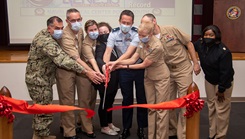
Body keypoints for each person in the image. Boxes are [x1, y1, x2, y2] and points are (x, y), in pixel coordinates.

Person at [25, 16, 102, 139]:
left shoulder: (50, 34)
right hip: (38, 79)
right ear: (49, 28)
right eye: (57, 28)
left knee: (45, 107)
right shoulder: (45, 40)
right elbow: (62, 59)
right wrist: (86, 71)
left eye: (61, 28)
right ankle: (39, 136)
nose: (60, 31)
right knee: (42, 109)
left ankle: (42, 134)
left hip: (45, 78)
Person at [141, 13, 201, 139]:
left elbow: (189, 44)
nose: (144, 25)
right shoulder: (149, 38)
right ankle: (172, 130)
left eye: (147, 22)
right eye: (142, 23)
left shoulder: (171, 30)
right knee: (169, 103)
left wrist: (195, 63)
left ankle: (183, 134)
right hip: (166, 72)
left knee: (185, 102)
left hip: (182, 69)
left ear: (154, 21)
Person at [108, 22, 170, 139]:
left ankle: (161, 137)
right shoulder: (142, 41)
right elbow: (133, 59)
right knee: (151, 108)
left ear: (151, 34)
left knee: (161, 109)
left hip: (160, 77)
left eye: (143, 35)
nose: (140, 37)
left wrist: (122, 67)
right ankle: (151, 136)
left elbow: (143, 65)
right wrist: (116, 62)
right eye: (139, 35)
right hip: (149, 77)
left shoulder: (157, 46)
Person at [56, 8, 103, 139]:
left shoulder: (81, 30)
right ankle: (69, 131)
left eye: (78, 19)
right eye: (73, 20)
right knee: (67, 100)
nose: (76, 22)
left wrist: (90, 70)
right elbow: (75, 57)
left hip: (81, 69)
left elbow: (84, 51)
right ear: (67, 21)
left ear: (81, 19)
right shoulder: (64, 35)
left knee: (85, 98)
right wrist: (90, 72)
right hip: (66, 70)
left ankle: (84, 126)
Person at [103, 10, 148, 139]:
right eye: (123, 22)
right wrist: (107, 65)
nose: (125, 25)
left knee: (141, 99)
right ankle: (126, 128)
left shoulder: (137, 33)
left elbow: (129, 53)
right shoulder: (114, 33)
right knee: (127, 99)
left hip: (138, 68)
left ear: (132, 23)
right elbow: (108, 51)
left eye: (128, 23)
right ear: (119, 21)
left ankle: (141, 128)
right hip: (123, 70)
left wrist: (114, 64)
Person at [193, 25, 234, 139]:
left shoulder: (223, 51)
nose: (208, 37)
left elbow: (226, 73)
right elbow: (189, 46)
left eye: (211, 35)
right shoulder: (201, 44)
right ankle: (212, 134)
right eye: (206, 34)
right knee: (211, 106)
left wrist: (221, 90)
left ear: (216, 36)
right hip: (210, 80)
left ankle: (220, 135)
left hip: (223, 82)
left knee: (221, 109)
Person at [95, 22, 120, 136]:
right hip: (105, 77)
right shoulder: (100, 45)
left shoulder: (113, 44)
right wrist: (103, 65)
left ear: (110, 31)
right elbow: (98, 58)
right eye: (101, 33)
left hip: (114, 78)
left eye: (106, 32)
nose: (104, 34)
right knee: (104, 103)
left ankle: (109, 123)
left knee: (110, 102)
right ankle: (104, 126)